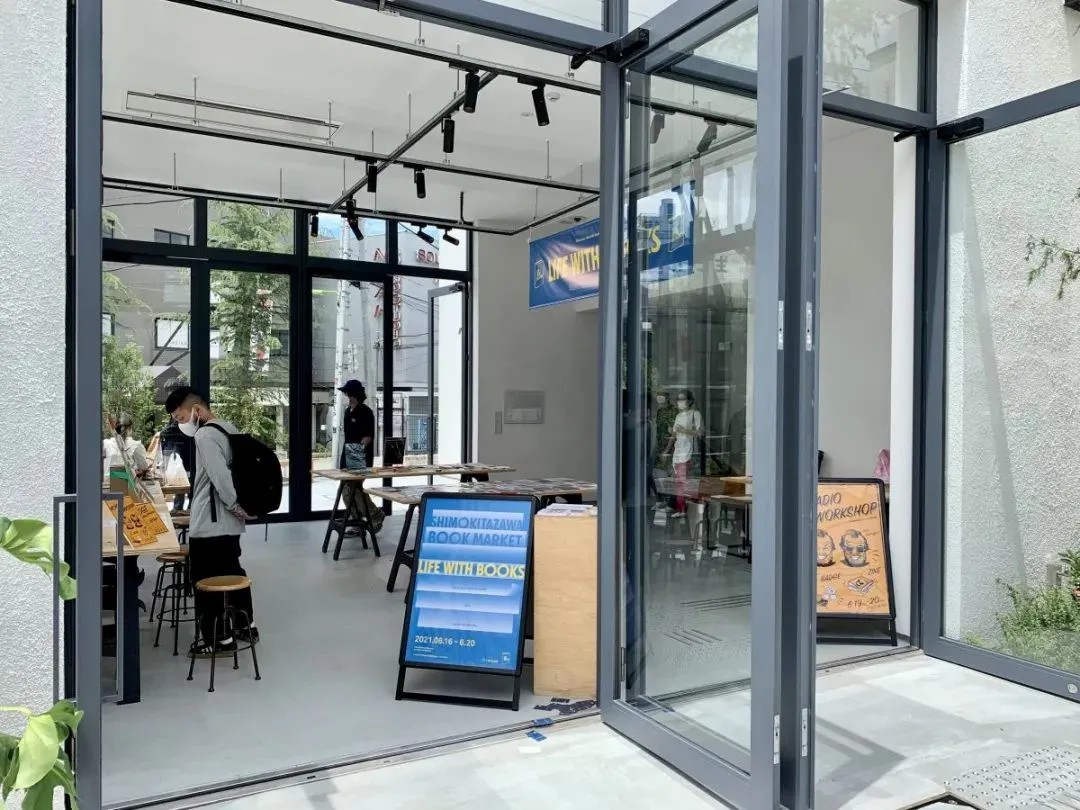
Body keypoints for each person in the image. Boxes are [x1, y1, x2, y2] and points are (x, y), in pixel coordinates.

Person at [164, 386, 256, 654]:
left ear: (196, 409)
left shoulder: (204, 435)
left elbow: (220, 477)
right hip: (229, 524)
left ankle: (217, 639)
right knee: (232, 571)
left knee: (205, 580)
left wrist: (235, 505)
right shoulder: (229, 428)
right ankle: (246, 625)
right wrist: (239, 509)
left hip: (210, 522)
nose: (180, 424)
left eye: (181, 418)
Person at [337, 379, 383, 535]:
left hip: (360, 456)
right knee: (346, 490)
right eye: (347, 394)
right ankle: (358, 521)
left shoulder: (365, 412)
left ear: (356, 395)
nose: (348, 397)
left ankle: (374, 514)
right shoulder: (347, 412)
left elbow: (367, 437)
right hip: (347, 455)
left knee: (353, 488)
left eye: (350, 395)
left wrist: (357, 455)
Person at [664, 389, 704, 517]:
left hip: (689, 452)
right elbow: (676, 435)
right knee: (679, 482)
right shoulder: (678, 416)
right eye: (678, 399)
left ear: (690, 401)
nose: (679, 402)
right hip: (678, 451)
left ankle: (687, 509)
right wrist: (672, 433)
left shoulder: (695, 414)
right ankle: (681, 509)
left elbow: (700, 433)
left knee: (685, 482)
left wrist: (684, 430)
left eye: (682, 399)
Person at [159, 416, 193, 511]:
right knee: (189, 485)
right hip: (187, 462)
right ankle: (190, 507)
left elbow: (164, 440)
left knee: (180, 485)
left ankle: (178, 507)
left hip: (177, 463)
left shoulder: (169, 430)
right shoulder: (188, 428)